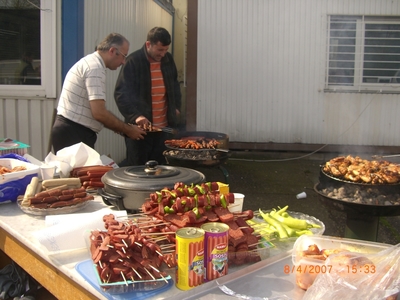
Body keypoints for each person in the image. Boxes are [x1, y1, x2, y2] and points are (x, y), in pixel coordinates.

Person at [51, 33, 146, 153]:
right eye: (123, 56)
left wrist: (119, 127)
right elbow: (99, 113)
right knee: (77, 172)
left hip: (72, 131)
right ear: (112, 51)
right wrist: (128, 130)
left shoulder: (92, 63)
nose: (123, 62)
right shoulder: (95, 68)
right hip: (73, 133)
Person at [114, 27, 181, 166]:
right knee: (138, 170)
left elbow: (175, 86)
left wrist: (176, 107)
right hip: (139, 132)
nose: (163, 54)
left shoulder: (168, 60)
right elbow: (121, 94)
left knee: (161, 169)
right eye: (159, 50)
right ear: (148, 44)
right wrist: (136, 116)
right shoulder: (133, 61)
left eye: (165, 50)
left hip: (163, 130)